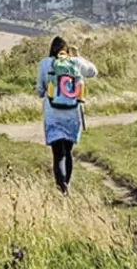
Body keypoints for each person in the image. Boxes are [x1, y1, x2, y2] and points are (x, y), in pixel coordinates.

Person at [36, 35, 98, 195]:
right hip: (72, 114)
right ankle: (66, 185)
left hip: (53, 115)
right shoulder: (75, 62)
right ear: (67, 51)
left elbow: (40, 91)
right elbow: (93, 72)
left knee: (58, 154)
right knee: (68, 152)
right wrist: (78, 56)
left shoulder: (45, 64)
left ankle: (61, 187)